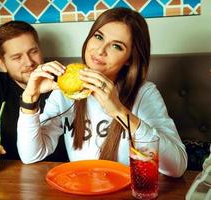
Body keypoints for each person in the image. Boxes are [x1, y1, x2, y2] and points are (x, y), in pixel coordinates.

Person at [17, 7, 188, 177]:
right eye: (98, 37)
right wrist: (30, 99)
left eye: (116, 46)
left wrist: (119, 111)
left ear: (129, 59)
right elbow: (31, 155)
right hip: (80, 190)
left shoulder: (145, 93)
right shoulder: (65, 92)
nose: (100, 50)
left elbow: (177, 167)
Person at [0, 21, 68, 176]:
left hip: (60, 174)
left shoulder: (64, 83)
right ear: (2, 64)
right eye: (17, 57)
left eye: (33, 51)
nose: (29, 62)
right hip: (5, 175)